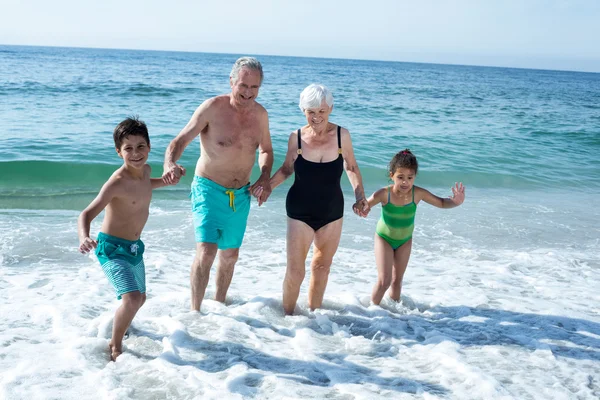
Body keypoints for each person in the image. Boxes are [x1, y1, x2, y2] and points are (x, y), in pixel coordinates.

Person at [162, 57, 274, 312]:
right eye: (243, 85)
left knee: (230, 256)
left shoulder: (261, 115)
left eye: (254, 88)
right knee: (207, 251)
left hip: (240, 195)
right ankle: (195, 312)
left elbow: (265, 150)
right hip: (208, 189)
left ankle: (219, 309)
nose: (248, 93)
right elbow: (179, 141)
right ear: (232, 81)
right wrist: (170, 163)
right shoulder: (213, 108)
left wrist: (264, 176)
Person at [77, 117, 173, 361]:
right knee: (132, 299)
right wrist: (84, 237)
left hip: (134, 249)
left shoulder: (147, 171)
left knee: (140, 298)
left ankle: (121, 323)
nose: (136, 153)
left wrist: (167, 180)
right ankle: (115, 344)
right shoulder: (116, 182)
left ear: (149, 147)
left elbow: (146, 186)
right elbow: (86, 214)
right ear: (119, 152)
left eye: (141, 146)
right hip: (111, 249)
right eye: (128, 148)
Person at [270, 84, 369, 315]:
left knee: (322, 267)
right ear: (303, 110)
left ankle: (315, 319)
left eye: (322, 111)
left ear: (331, 109)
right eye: (311, 111)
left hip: (332, 210)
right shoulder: (296, 138)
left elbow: (351, 167)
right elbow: (286, 170)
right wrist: (266, 188)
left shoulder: (342, 135)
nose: (316, 117)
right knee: (296, 271)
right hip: (299, 210)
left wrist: (360, 196)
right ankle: (287, 318)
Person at [366, 149, 466, 305]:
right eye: (400, 177)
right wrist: (361, 208)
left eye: (409, 177)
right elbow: (365, 204)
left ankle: (391, 316)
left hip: (404, 241)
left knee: (396, 281)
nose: (405, 182)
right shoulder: (384, 193)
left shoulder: (418, 193)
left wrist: (455, 202)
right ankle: (371, 311)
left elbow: (440, 202)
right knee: (385, 280)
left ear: (414, 177)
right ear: (391, 175)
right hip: (384, 239)